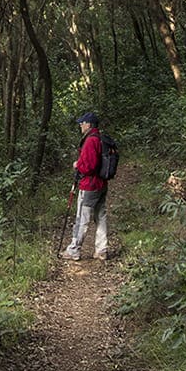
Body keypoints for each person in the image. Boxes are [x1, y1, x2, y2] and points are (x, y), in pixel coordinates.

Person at [62, 110, 108, 260]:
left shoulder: (90, 140)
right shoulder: (100, 138)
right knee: (100, 216)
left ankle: (74, 250)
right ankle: (102, 250)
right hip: (101, 184)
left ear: (89, 124)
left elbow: (89, 166)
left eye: (82, 123)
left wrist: (77, 165)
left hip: (90, 185)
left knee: (82, 218)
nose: (80, 125)